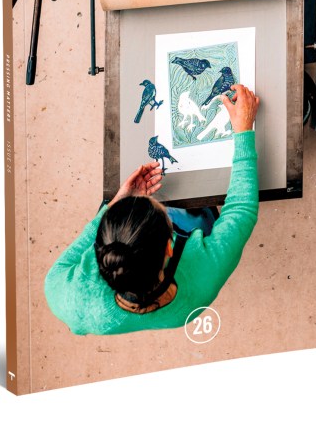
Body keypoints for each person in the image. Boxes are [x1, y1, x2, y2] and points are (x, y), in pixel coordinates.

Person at [44, 84, 260, 335]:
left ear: (101, 248)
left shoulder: (65, 298)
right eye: (159, 210)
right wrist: (244, 130)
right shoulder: (201, 278)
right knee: (195, 212)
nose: (154, 198)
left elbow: (67, 264)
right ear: (170, 246)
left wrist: (117, 201)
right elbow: (241, 210)